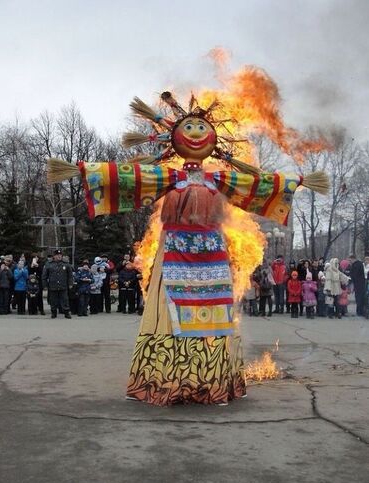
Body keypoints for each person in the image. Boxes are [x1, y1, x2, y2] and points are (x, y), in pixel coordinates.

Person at [47, 91, 328, 406]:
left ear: (213, 139)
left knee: (214, 317)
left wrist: (295, 182)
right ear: (175, 137)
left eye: (200, 129)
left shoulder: (220, 179)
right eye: (189, 129)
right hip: (174, 255)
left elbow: (259, 183)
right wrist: (83, 171)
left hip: (212, 258)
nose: (195, 134)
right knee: (170, 313)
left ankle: (214, 384)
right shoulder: (168, 177)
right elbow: (126, 176)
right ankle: (163, 381)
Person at [42, 249, 73, 319]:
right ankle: (53, 312)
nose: (59, 256)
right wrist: (45, 285)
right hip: (53, 286)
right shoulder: (49, 264)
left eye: (60, 255)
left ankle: (66, 312)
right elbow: (44, 276)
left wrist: (70, 283)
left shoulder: (66, 264)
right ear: (54, 256)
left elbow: (70, 275)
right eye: (57, 255)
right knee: (53, 300)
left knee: (65, 300)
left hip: (63, 285)